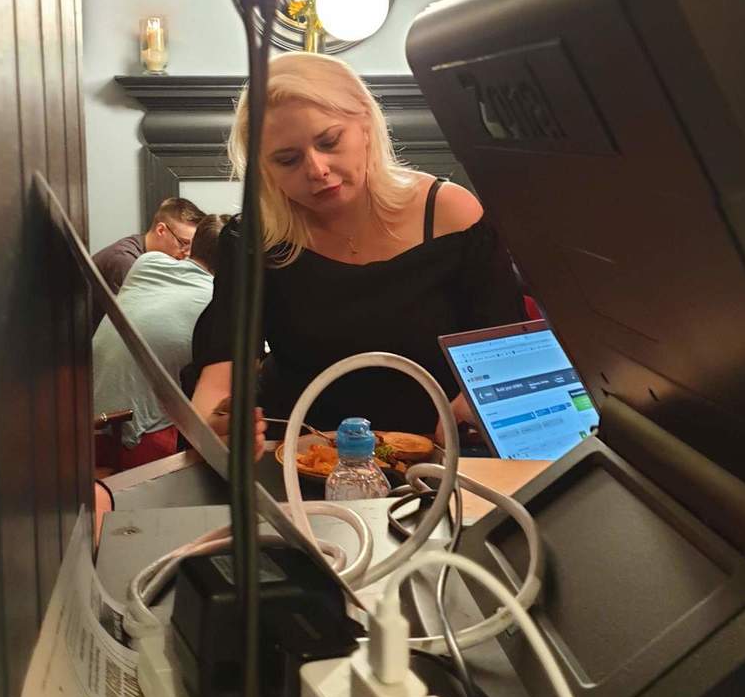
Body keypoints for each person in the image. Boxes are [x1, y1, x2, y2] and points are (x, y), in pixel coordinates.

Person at [191, 54, 525, 448]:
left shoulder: (451, 214)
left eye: (329, 141)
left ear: (365, 124)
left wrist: (481, 400)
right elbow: (220, 379)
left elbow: (509, 357)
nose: (316, 169)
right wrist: (214, 427)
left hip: (436, 452)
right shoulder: (253, 239)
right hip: (300, 452)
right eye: (287, 159)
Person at [94, 214, 229, 473]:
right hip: (139, 439)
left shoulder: (147, 262)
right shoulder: (217, 302)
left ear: (193, 245)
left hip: (89, 421)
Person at [92, 196, 205, 299]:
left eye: (191, 246)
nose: (187, 253)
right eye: (183, 243)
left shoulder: (154, 257)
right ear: (161, 230)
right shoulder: (125, 260)